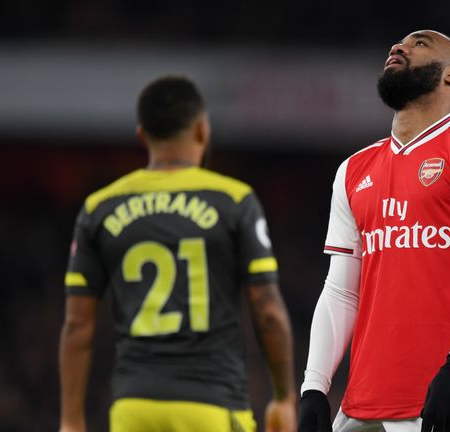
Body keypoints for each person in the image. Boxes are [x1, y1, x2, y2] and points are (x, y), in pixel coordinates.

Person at [298, 30, 450, 432]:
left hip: (446, 393)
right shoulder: (353, 170)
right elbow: (341, 290)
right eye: (399, 42)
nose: (398, 47)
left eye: (420, 43)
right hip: (360, 404)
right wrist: (315, 385)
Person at [59, 76, 296, 432]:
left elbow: (77, 326)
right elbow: (268, 311)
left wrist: (71, 421)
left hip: (133, 408)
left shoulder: (99, 208)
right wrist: (283, 397)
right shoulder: (234, 200)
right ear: (202, 130)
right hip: (212, 405)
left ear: (142, 135)